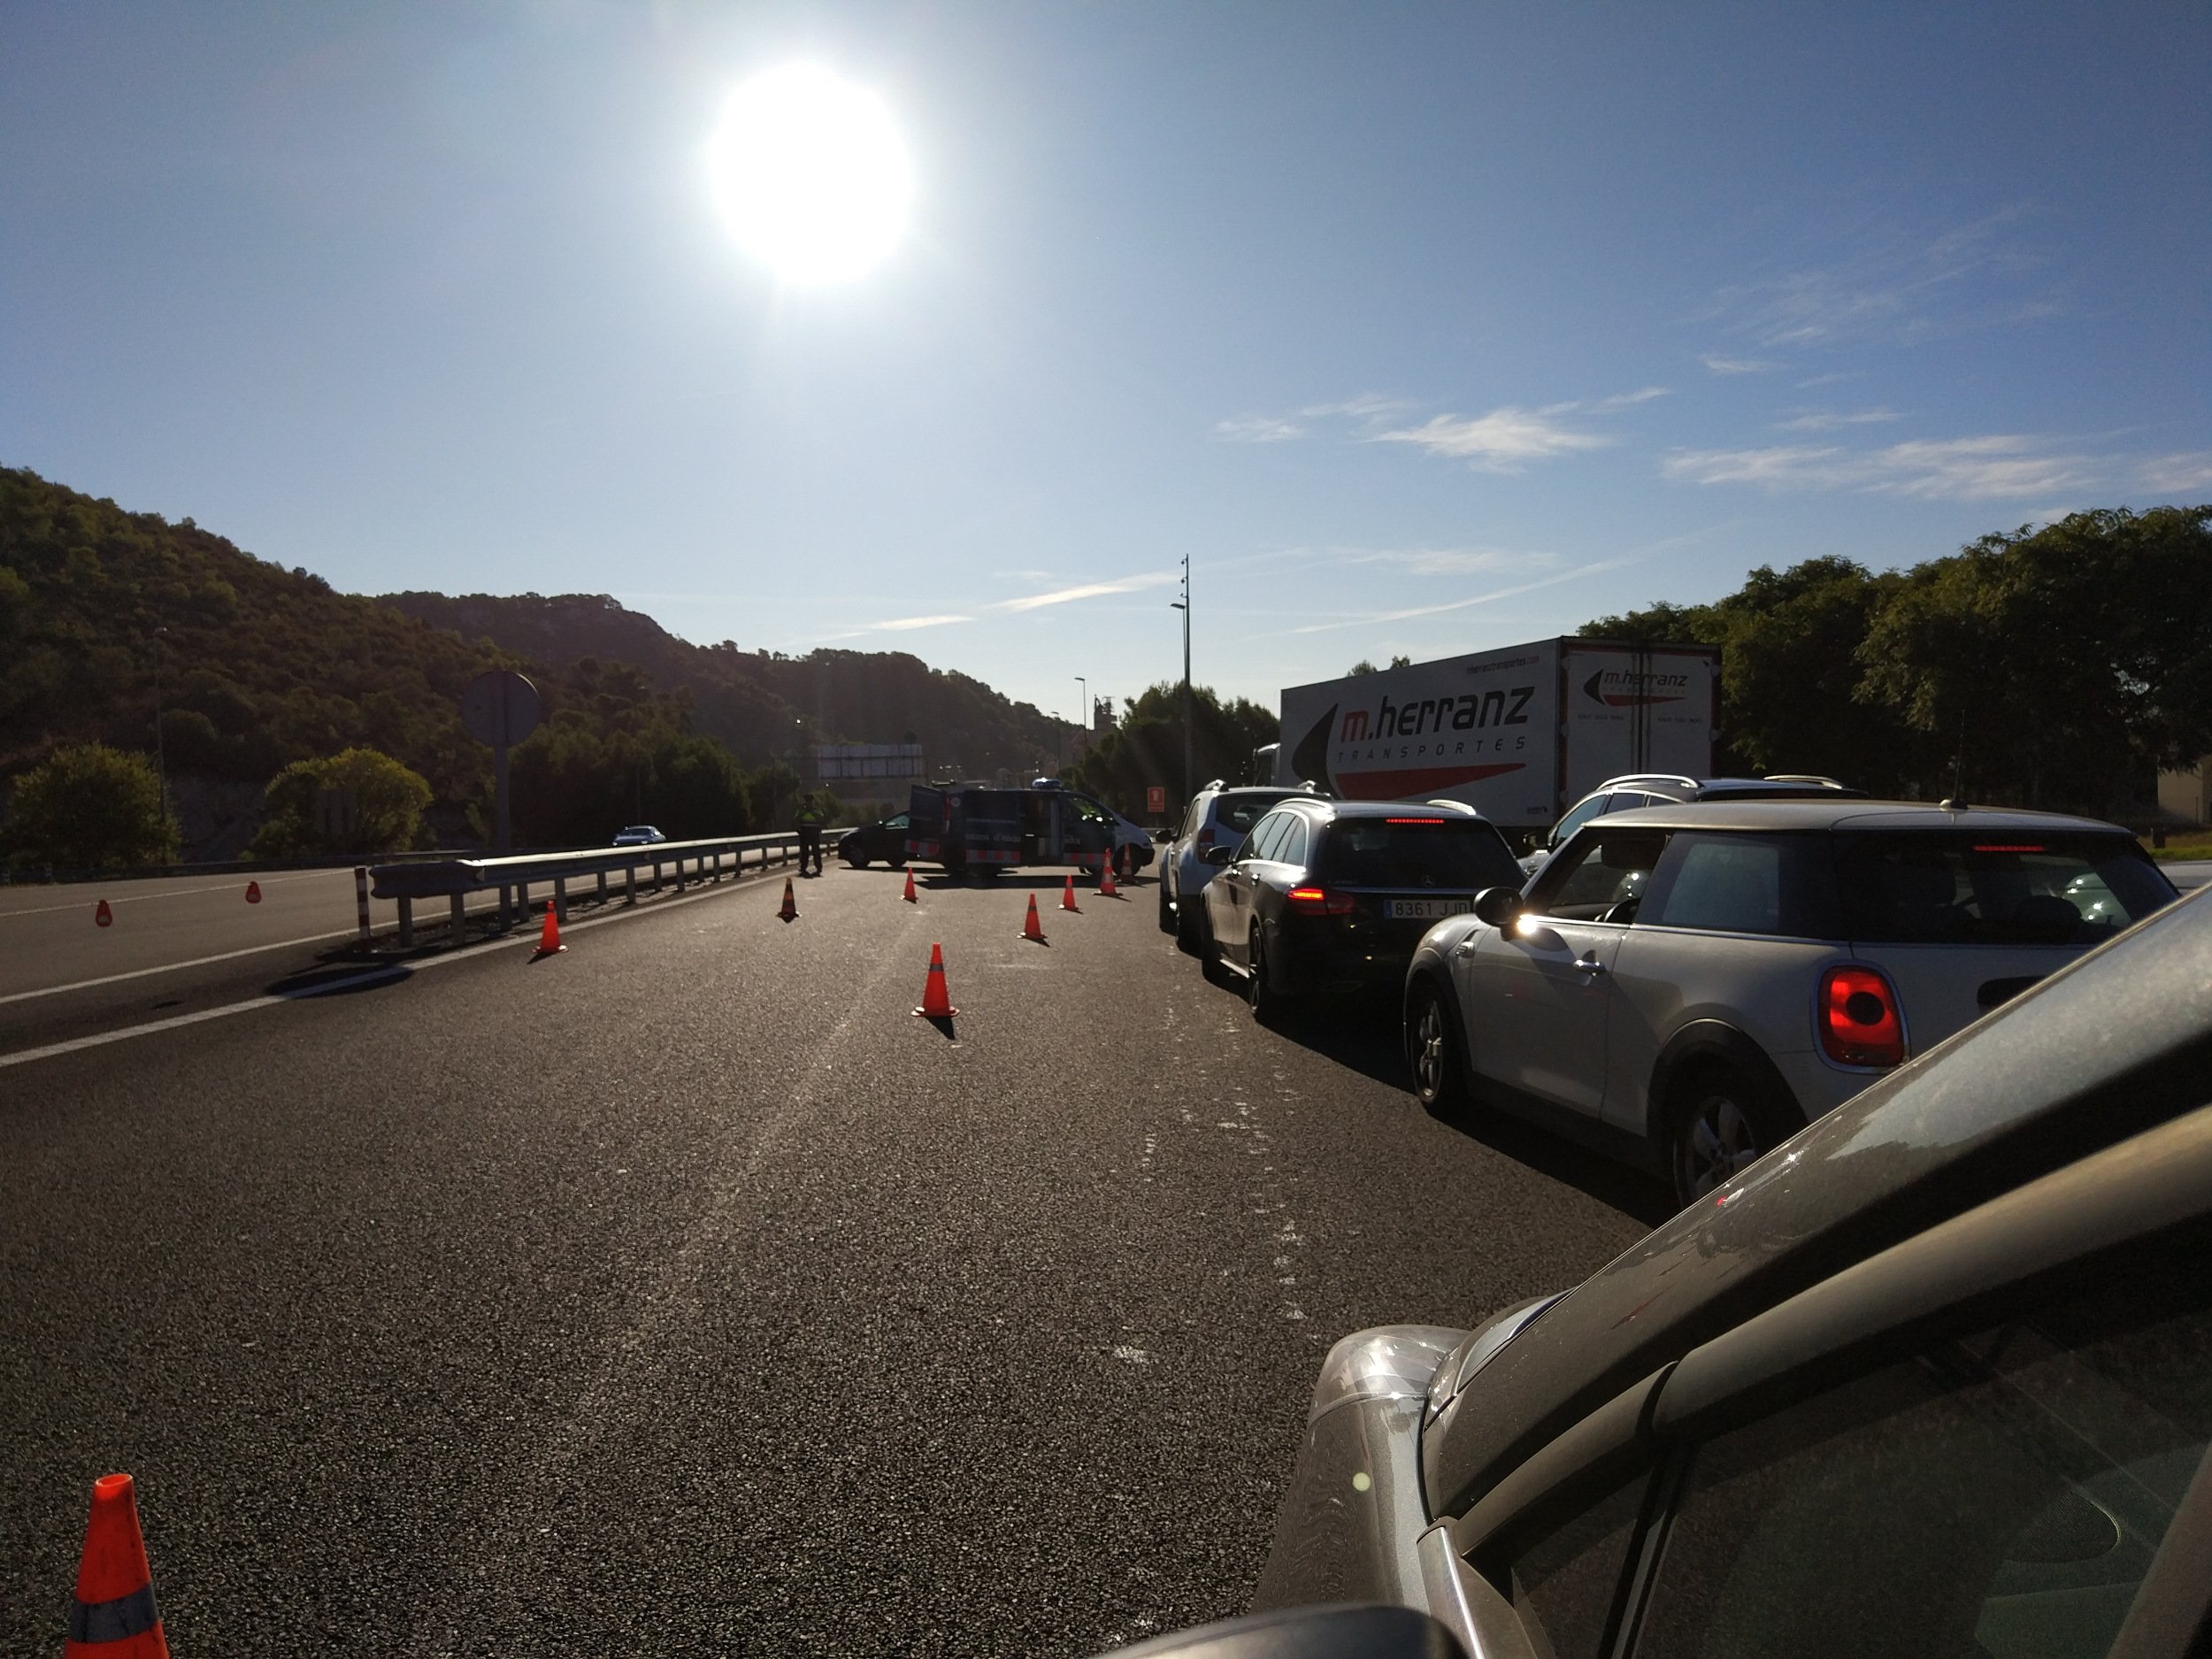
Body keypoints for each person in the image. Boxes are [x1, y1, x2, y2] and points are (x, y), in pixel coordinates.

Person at [794, 791, 826, 876]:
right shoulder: (801, 810)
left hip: (814, 832)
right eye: (808, 801)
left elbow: (821, 819)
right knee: (805, 851)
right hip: (804, 832)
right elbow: (796, 820)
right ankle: (803, 868)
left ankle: (819, 867)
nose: (809, 803)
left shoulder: (816, 810)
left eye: (810, 801)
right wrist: (798, 829)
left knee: (816, 851)